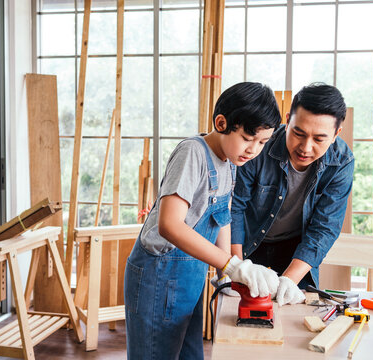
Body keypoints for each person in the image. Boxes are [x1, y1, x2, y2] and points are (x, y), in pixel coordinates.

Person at [124, 82, 282, 359]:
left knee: (190, 354)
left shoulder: (230, 162)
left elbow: (222, 218)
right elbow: (169, 225)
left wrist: (230, 272)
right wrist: (229, 264)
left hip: (191, 275)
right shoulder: (193, 153)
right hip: (159, 275)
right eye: (248, 138)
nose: (253, 150)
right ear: (222, 123)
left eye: (262, 142)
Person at [230, 83, 354, 307]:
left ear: (336, 134)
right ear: (287, 120)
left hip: (297, 249)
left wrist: (289, 278)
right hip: (250, 243)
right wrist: (236, 266)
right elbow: (236, 207)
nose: (305, 148)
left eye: (319, 139)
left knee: (295, 316)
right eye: (298, 133)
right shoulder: (259, 147)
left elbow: (325, 227)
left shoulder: (342, 161)